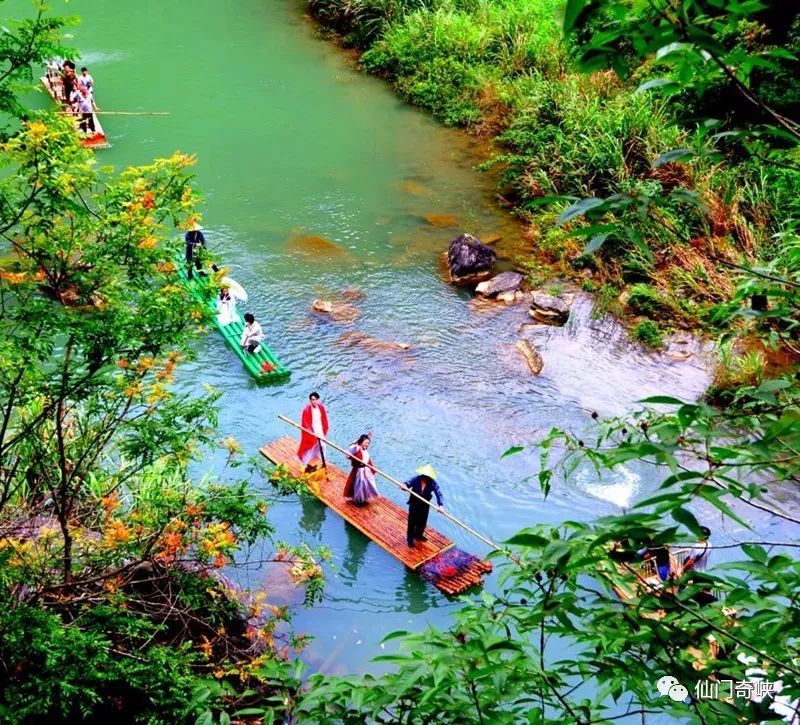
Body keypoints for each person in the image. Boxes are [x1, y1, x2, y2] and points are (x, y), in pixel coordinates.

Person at [404, 464, 444, 548]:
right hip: (414, 503)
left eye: (427, 476)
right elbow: (408, 482)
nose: (424, 477)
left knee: (422, 523)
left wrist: (440, 505)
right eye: (424, 475)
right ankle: (410, 539)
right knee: (412, 522)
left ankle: (418, 535)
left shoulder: (432, 483)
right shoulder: (416, 479)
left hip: (424, 506)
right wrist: (404, 486)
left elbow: (438, 493)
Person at [297, 392, 330, 472]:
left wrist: (324, 429)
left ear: (318, 400)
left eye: (315, 400)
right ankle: (305, 464)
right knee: (310, 448)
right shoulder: (306, 410)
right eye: (312, 400)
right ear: (310, 400)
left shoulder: (321, 407)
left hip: (320, 430)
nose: (314, 401)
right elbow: (305, 424)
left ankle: (321, 461)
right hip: (312, 432)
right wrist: (312, 433)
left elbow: (324, 419)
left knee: (322, 446)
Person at [343, 434, 379, 506]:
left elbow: (367, 460)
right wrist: (357, 441)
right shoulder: (357, 448)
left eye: (368, 443)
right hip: (358, 471)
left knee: (366, 484)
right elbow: (350, 449)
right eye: (365, 442)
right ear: (361, 442)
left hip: (365, 470)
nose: (367, 444)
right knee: (359, 485)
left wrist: (371, 469)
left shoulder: (365, 450)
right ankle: (358, 500)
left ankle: (363, 498)